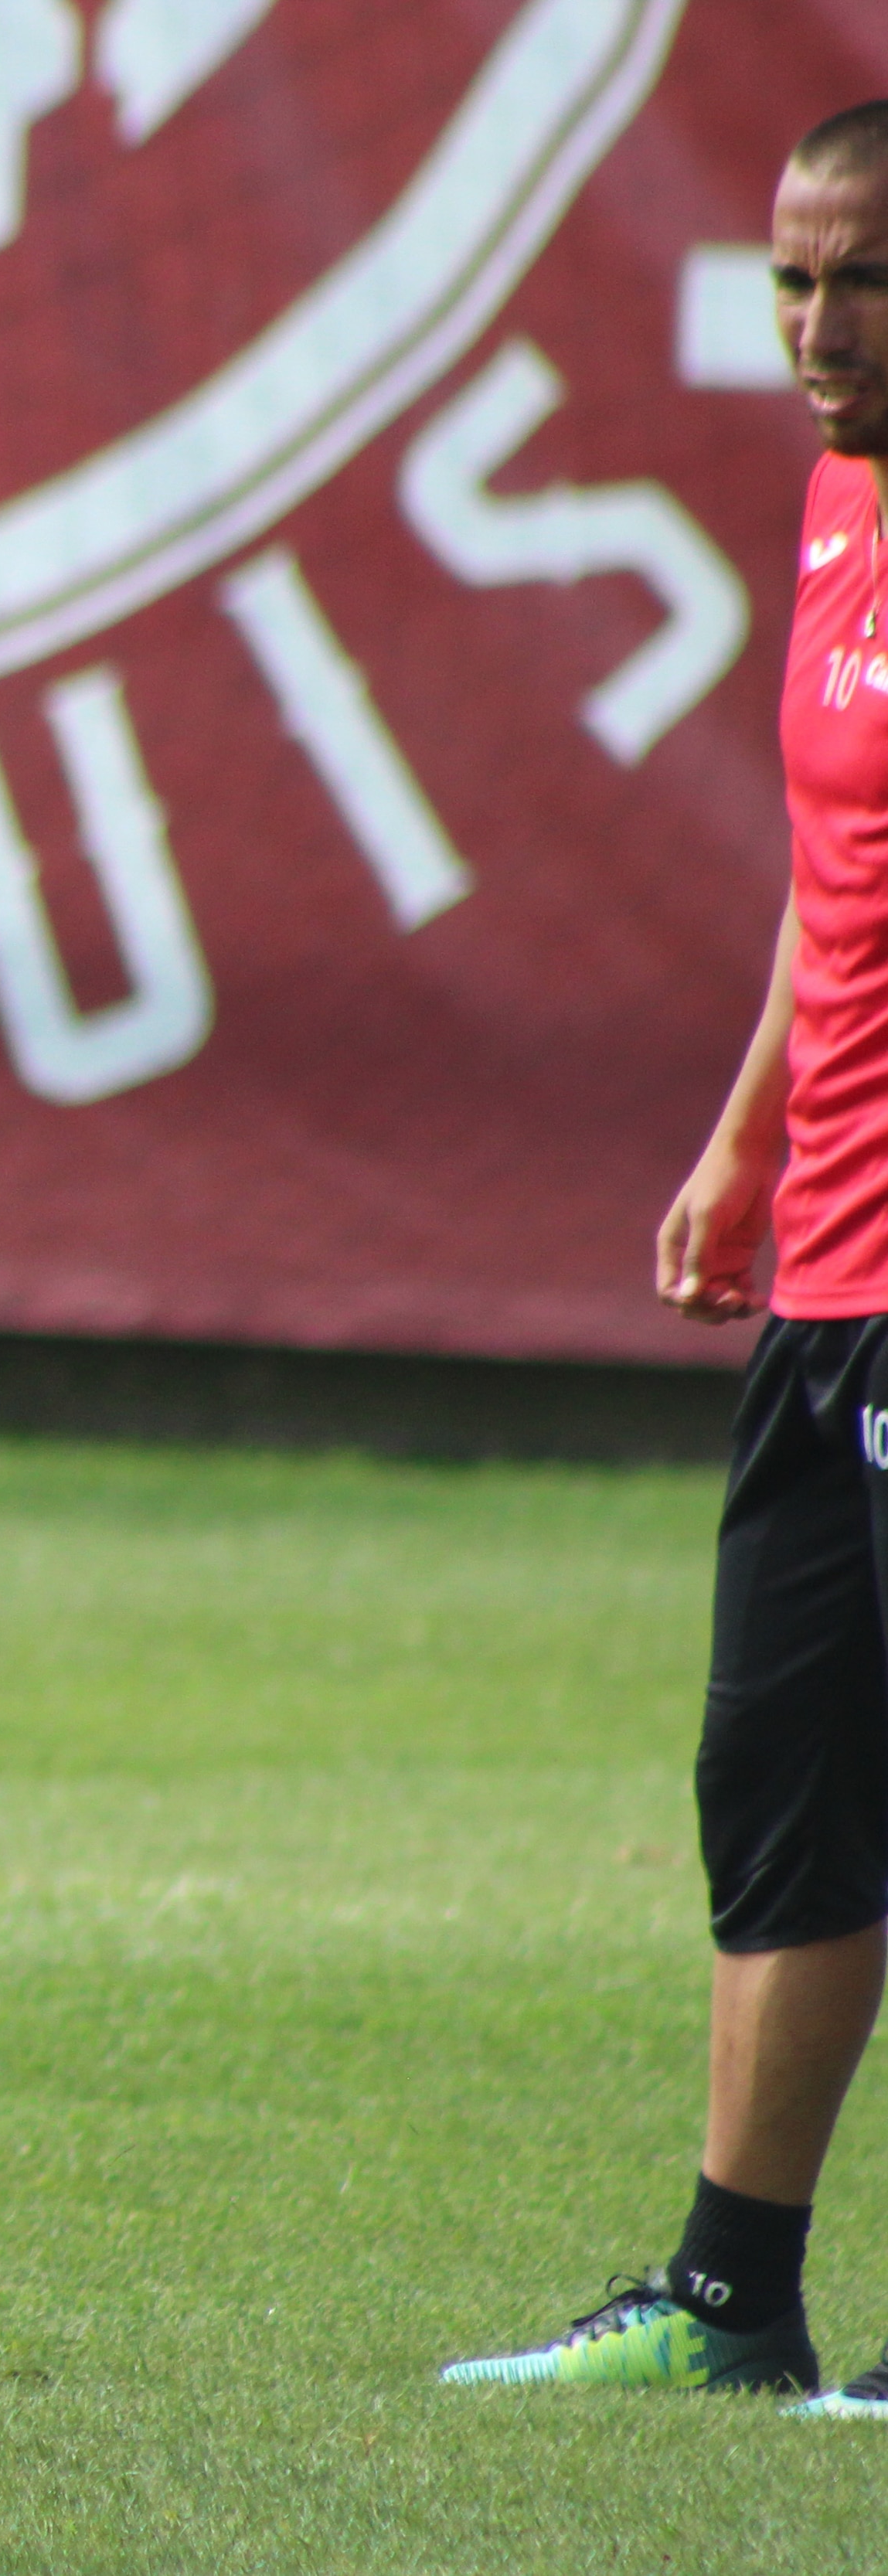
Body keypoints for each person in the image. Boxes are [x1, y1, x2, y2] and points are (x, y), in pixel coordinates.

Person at [443, 101, 888, 2418]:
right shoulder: (838, 504)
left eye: (867, 284)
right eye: (797, 281)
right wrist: (746, 1143)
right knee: (786, 1770)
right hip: (833, 1272)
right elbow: (837, 885)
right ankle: (735, 2303)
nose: (821, 330)